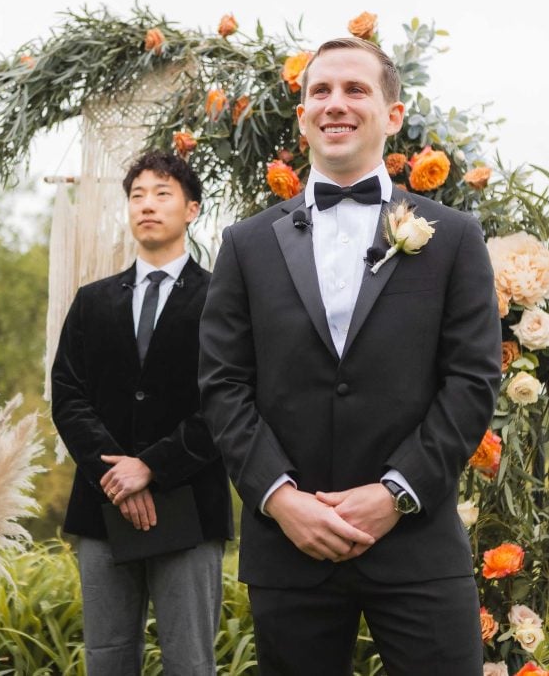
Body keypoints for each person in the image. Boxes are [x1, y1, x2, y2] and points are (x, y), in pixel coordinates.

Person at [199, 37, 501, 676]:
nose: (336, 104)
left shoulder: (453, 238)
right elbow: (223, 385)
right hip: (290, 546)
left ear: (393, 115)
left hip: (418, 546)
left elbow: (472, 381)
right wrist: (281, 499)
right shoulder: (245, 244)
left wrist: (396, 493)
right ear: (303, 114)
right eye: (320, 91)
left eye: (355, 89)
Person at [51, 151, 232, 676]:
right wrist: (116, 472)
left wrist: (150, 466)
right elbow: (67, 393)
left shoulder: (224, 298)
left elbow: (228, 398)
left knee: (190, 662)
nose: (146, 205)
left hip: (191, 503)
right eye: (136, 195)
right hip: (101, 505)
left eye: (162, 193)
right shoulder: (91, 301)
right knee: (106, 659)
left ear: (192, 209)